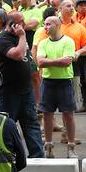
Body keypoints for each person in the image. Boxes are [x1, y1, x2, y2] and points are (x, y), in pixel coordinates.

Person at [0, 11, 44, 158]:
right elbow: (18, 55)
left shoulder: (19, 37)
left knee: (31, 125)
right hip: (9, 92)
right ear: (12, 25)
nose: (24, 24)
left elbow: (27, 59)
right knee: (7, 127)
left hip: (25, 90)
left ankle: (38, 157)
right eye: (21, 22)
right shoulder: (3, 39)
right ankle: (10, 158)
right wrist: (22, 36)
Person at [36, 16, 78, 158]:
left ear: (57, 25)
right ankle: (48, 146)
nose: (45, 27)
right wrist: (57, 61)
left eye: (48, 24)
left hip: (65, 81)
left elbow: (67, 62)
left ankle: (71, 147)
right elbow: (40, 62)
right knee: (47, 115)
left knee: (68, 115)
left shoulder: (68, 41)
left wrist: (49, 61)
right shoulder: (43, 43)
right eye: (44, 24)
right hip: (48, 81)